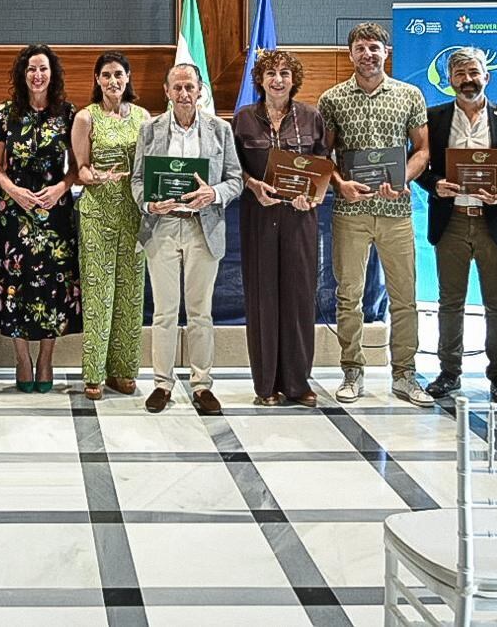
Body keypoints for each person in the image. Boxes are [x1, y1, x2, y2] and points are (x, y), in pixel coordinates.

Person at [316, 22, 434, 406]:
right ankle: (352, 370)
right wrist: (339, 184)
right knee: (348, 295)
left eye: (375, 47)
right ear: (350, 54)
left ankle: (405, 374)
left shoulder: (409, 95)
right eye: (361, 48)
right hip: (351, 211)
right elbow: (324, 156)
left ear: (386, 52)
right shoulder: (332, 99)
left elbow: (422, 150)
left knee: (405, 296)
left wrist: (405, 179)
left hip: (396, 211)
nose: (368, 54)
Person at [132, 63, 243, 415]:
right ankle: (162, 384)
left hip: (202, 228)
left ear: (200, 91)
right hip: (162, 228)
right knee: (164, 312)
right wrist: (149, 202)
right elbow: (137, 180)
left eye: (189, 88)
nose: (183, 94)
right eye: (177, 88)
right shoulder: (149, 130)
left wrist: (215, 194)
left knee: (200, 313)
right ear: (166, 91)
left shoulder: (220, 130)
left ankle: (201, 385)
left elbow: (236, 179)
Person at [414, 47, 497, 403]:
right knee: (449, 301)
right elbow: (421, 166)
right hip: (453, 222)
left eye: (473, 72)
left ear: (486, 76)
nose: (467, 80)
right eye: (459, 74)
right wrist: (435, 185)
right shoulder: (434, 118)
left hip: (495, 222)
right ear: (449, 81)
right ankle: (449, 372)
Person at [234, 50, 330, 407]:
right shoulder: (243, 119)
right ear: (259, 79)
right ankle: (266, 385)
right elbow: (233, 167)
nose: (278, 79)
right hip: (258, 216)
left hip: (299, 219)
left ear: (294, 80)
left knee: (299, 297)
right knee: (262, 298)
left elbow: (323, 165)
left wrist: (314, 197)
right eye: (271, 73)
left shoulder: (311, 117)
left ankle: (298, 383)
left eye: (285, 73)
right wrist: (252, 184)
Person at [0, 44, 82, 392]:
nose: (37, 75)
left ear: (52, 74)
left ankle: (46, 359)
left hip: (55, 212)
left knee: (54, 286)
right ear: (22, 74)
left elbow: (78, 166)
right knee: (17, 284)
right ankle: (22, 358)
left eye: (43, 68)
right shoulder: (5, 113)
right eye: (30, 69)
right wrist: (13, 191)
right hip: (15, 213)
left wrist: (61, 189)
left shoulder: (69, 114)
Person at [70, 51, 149, 400]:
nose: (113, 81)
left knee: (130, 293)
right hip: (98, 213)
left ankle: (123, 371)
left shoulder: (144, 117)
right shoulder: (86, 118)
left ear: (128, 77)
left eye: (118, 74)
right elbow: (81, 168)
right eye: (106, 75)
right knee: (99, 292)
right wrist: (96, 177)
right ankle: (94, 373)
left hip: (134, 214)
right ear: (97, 80)